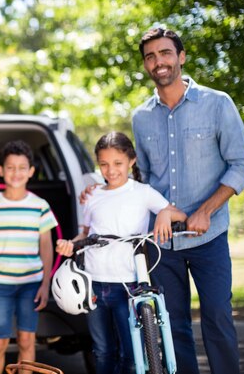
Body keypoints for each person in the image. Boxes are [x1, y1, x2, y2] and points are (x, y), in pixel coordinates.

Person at [131, 27, 244, 374]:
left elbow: (243, 163)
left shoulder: (218, 103)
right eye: (151, 56)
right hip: (164, 243)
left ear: (181, 57)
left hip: (209, 237)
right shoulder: (140, 117)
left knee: (217, 317)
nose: (159, 61)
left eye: (165, 53)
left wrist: (206, 211)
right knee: (174, 328)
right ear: (146, 64)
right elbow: (142, 177)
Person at [56, 131, 187, 374]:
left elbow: (179, 215)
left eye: (117, 163)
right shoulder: (92, 195)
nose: (111, 170)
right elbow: (85, 234)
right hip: (93, 284)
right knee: (103, 351)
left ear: (131, 161)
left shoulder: (142, 192)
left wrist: (165, 214)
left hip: (127, 285)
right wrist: (70, 244)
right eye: (104, 164)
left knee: (131, 353)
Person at [0, 140, 57, 374]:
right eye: (10, 167)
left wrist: (46, 283)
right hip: (1, 285)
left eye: (22, 167)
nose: (16, 173)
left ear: (31, 172)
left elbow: (46, 246)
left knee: (27, 340)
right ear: (0, 171)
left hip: (31, 284)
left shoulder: (40, 206)